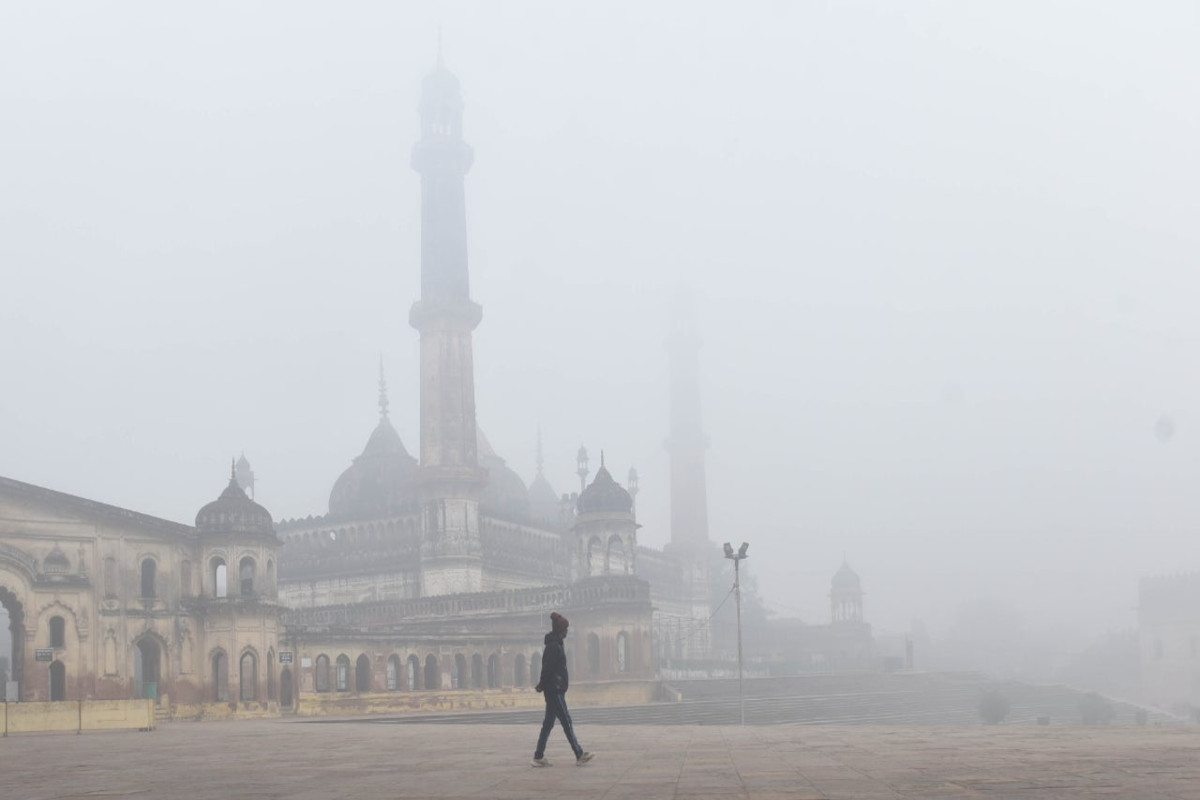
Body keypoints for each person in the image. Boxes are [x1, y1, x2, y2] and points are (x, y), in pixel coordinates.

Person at [531, 612, 594, 767]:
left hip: (555, 689)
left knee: (548, 724)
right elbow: (547, 668)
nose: (567, 632)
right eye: (565, 629)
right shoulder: (553, 646)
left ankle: (538, 756)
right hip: (554, 689)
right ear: (560, 630)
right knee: (566, 721)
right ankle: (579, 753)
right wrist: (541, 684)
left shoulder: (556, 644)